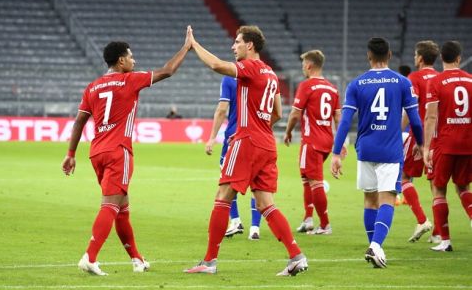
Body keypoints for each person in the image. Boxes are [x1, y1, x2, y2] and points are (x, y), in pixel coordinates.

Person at [61, 33, 191, 275]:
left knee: (122, 207)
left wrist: (70, 153)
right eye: (131, 57)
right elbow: (168, 70)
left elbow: (79, 121)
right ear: (121, 61)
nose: (135, 61)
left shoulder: (93, 86)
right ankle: (90, 256)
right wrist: (186, 47)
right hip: (118, 152)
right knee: (110, 205)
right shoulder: (130, 80)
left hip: (96, 152)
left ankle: (137, 259)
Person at [184, 25, 308, 276]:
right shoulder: (271, 74)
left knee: (222, 196)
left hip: (246, 141)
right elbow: (278, 113)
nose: (233, 46)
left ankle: (209, 262)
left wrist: (193, 45)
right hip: (266, 143)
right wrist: (261, 126)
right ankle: (296, 256)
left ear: (249, 45)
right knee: (265, 203)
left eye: (237, 42)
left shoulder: (249, 68)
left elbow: (218, 66)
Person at [331, 37, 424, 269]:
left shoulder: (356, 84)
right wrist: (422, 144)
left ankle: (374, 246)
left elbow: (344, 122)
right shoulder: (402, 82)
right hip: (390, 150)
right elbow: (415, 120)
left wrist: (335, 153)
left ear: (368, 56)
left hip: (366, 149)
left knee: (370, 200)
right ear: (389, 55)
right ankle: (376, 246)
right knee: (387, 200)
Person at [283, 50, 343, 235]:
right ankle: (308, 219)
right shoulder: (333, 89)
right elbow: (339, 118)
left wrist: (288, 132)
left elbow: (295, 113)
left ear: (309, 65)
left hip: (312, 141)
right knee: (307, 179)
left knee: (315, 182)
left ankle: (325, 225)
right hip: (327, 141)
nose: (303, 68)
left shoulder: (306, 86)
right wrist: (339, 144)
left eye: (303, 64)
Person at [423, 40, 472, 252]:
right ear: (459, 58)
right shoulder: (471, 81)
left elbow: (431, 116)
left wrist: (426, 147)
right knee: (463, 186)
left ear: (441, 58)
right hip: (468, 143)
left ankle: (445, 240)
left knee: (439, 190)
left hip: (445, 143)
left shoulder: (436, 82)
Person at [205, 75, 262, 240]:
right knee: (256, 183)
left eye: (236, 46)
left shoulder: (230, 78)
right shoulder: (263, 76)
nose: (233, 47)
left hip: (235, 137)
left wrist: (212, 137)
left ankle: (235, 221)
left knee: (226, 181)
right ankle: (255, 228)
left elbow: (222, 109)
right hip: (258, 138)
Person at [400, 41, 440, 243]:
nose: (414, 58)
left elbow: (411, 108)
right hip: (440, 138)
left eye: (416, 54)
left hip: (420, 136)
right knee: (436, 186)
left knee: (403, 177)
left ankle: (422, 220)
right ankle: (439, 232)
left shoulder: (414, 78)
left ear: (421, 58)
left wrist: (398, 131)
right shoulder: (441, 78)